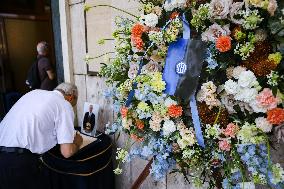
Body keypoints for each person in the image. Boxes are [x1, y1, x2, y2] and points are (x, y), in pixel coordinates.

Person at [0, 82, 83, 189]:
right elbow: (67, 152)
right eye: (73, 105)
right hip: (19, 163)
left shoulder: (33, 93)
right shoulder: (64, 104)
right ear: (71, 97)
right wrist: (77, 142)